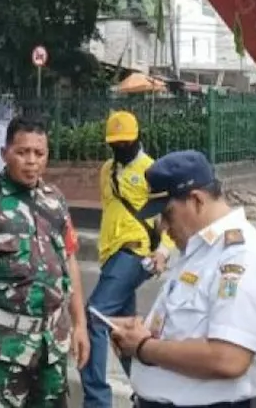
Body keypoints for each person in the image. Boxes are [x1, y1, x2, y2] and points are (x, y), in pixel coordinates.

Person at [109, 151, 256, 408]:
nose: (163, 227)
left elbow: (228, 358)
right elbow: (187, 329)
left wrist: (144, 347)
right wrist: (142, 331)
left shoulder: (241, 256)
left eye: (168, 214)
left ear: (197, 201)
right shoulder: (199, 251)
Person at [0, 116, 90, 408]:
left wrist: (80, 325)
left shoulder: (56, 202)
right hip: (1, 350)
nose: (31, 161)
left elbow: (70, 263)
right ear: (4, 154)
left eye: (39, 154)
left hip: (51, 347)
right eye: (22, 152)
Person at [83, 111, 173, 408]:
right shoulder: (107, 170)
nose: (120, 148)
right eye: (115, 143)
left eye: (126, 142)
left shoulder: (151, 170)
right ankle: (149, 394)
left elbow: (169, 217)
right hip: (111, 255)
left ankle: (96, 400)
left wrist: (163, 251)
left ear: (137, 139)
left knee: (94, 317)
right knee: (122, 330)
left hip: (134, 252)